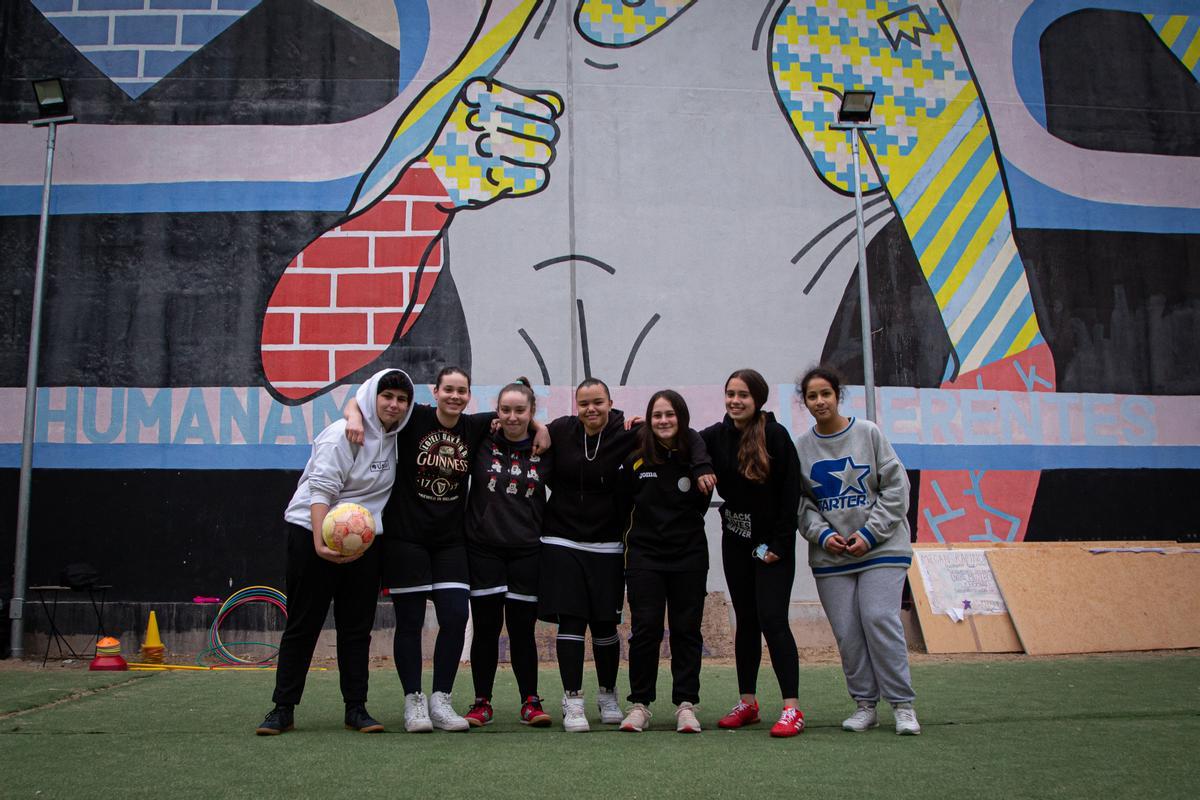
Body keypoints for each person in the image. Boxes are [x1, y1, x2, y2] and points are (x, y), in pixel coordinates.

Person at [345, 367, 548, 732]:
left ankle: (441, 699)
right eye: (448, 390)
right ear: (435, 391)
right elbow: (369, 403)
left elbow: (518, 412)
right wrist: (353, 413)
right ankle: (414, 702)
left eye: (462, 391)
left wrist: (541, 427)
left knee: (455, 617)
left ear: (469, 396)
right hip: (407, 538)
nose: (455, 396)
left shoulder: (473, 426)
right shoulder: (414, 417)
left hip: (451, 542)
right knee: (409, 622)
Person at [538, 378, 715, 732]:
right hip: (612, 550)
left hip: (657, 554)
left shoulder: (639, 436)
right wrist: (534, 425)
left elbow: (690, 437)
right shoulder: (565, 431)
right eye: (584, 402)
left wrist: (702, 465)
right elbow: (624, 499)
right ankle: (624, 703)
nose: (591, 408)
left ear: (610, 402)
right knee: (636, 628)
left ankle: (679, 704)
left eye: (598, 401)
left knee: (673, 629)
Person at [255, 368, 414, 735]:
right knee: (303, 624)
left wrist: (354, 408)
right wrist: (319, 542)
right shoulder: (341, 435)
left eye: (401, 399)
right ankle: (282, 708)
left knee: (356, 629)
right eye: (386, 396)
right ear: (373, 397)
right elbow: (321, 488)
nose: (394, 404)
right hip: (312, 533)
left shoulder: (397, 436)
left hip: (364, 541)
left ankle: (356, 709)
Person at [795, 366, 921, 735]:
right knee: (848, 631)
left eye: (825, 394)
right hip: (832, 557)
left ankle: (903, 705)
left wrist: (869, 533)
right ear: (804, 401)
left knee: (879, 618)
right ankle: (865, 704)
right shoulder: (801, 447)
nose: (819, 401)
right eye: (812, 396)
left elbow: (896, 489)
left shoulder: (868, 433)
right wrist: (821, 536)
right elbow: (803, 504)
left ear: (838, 395)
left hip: (881, 548)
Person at [701, 369, 805, 737]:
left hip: (773, 548)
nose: (735, 400)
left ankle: (791, 708)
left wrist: (780, 545)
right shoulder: (716, 436)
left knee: (773, 620)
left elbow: (791, 492)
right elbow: (680, 443)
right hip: (737, 541)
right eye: (730, 393)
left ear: (757, 399)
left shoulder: (775, 436)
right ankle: (748, 702)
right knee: (745, 622)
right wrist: (634, 423)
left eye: (743, 394)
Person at [617, 390, 715, 733]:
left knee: (687, 630)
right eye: (656, 415)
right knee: (646, 629)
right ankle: (640, 705)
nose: (663, 421)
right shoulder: (635, 458)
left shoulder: (696, 455)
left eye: (670, 414)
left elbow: (700, 505)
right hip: (644, 556)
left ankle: (686, 705)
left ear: (681, 418)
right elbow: (622, 504)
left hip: (689, 556)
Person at [461, 378, 554, 728]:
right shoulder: (480, 439)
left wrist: (539, 428)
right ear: (496, 412)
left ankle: (529, 701)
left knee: (521, 630)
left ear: (532, 413)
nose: (512, 417)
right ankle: (481, 702)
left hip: (527, 551)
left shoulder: (547, 448)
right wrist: (534, 422)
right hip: (483, 549)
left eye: (521, 411)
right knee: (486, 628)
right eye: (506, 410)